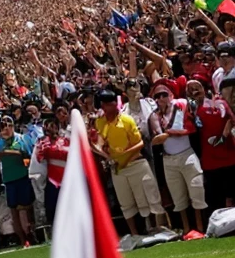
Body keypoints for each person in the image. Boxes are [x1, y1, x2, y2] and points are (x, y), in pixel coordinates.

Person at [92, 89, 167, 236]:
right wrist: (106, 154)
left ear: (114, 104)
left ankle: (156, 228)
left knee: (148, 197)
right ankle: (134, 234)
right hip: (118, 168)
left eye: (107, 104)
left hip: (135, 163)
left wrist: (123, 156)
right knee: (126, 203)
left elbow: (139, 144)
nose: (104, 108)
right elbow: (99, 143)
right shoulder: (100, 122)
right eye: (102, 104)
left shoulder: (126, 120)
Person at [150, 83, 207, 233]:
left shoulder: (181, 104)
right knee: (178, 197)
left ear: (170, 95)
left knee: (196, 190)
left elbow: (189, 126)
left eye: (164, 94)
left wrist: (169, 133)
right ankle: (187, 229)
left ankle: (200, 228)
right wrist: (170, 132)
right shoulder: (155, 115)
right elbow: (157, 136)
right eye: (157, 96)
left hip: (186, 153)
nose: (161, 98)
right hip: (169, 159)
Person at [184, 78, 235, 210]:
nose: (194, 90)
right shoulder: (188, 110)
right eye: (190, 89)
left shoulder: (220, 103)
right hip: (209, 160)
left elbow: (231, 120)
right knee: (215, 197)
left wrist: (223, 137)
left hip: (229, 155)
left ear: (204, 89)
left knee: (231, 194)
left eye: (197, 87)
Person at [0, 116, 36, 246]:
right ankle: (22, 240)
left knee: (28, 208)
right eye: (3, 126)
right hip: (9, 180)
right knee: (14, 211)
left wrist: (16, 154)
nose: (6, 128)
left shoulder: (22, 139)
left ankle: (32, 234)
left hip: (23, 177)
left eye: (9, 125)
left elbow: (27, 158)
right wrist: (13, 152)